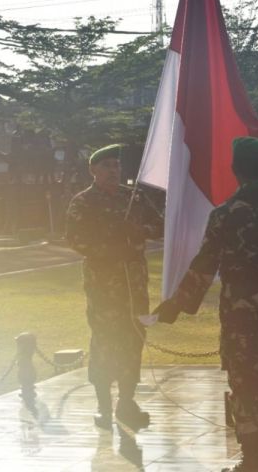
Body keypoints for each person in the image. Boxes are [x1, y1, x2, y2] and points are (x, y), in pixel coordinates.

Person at [152, 94, 258, 472]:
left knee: (245, 383)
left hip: (240, 312)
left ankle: (251, 458)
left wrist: (175, 304)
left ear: (236, 170)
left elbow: (205, 265)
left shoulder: (224, 216)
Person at [65, 144, 164, 430]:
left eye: (116, 166)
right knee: (105, 342)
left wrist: (137, 231)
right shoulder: (84, 202)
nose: (112, 170)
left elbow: (159, 226)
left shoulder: (134, 198)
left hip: (134, 286)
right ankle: (104, 406)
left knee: (133, 339)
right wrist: (110, 245)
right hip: (103, 287)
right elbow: (76, 239)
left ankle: (126, 401)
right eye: (106, 165)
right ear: (93, 170)